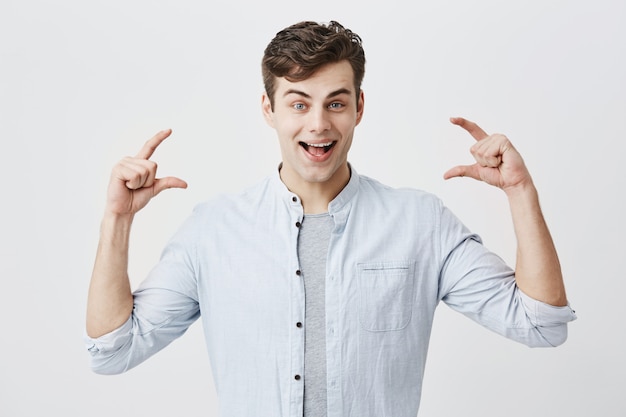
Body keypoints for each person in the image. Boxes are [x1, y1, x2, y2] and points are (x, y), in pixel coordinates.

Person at [85, 20, 576, 417]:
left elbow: (540, 324)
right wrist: (117, 220)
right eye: (298, 103)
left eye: (335, 103)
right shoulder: (212, 231)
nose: (318, 124)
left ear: (358, 107)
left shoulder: (420, 223)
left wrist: (520, 192)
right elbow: (113, 350)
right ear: (269, 109)